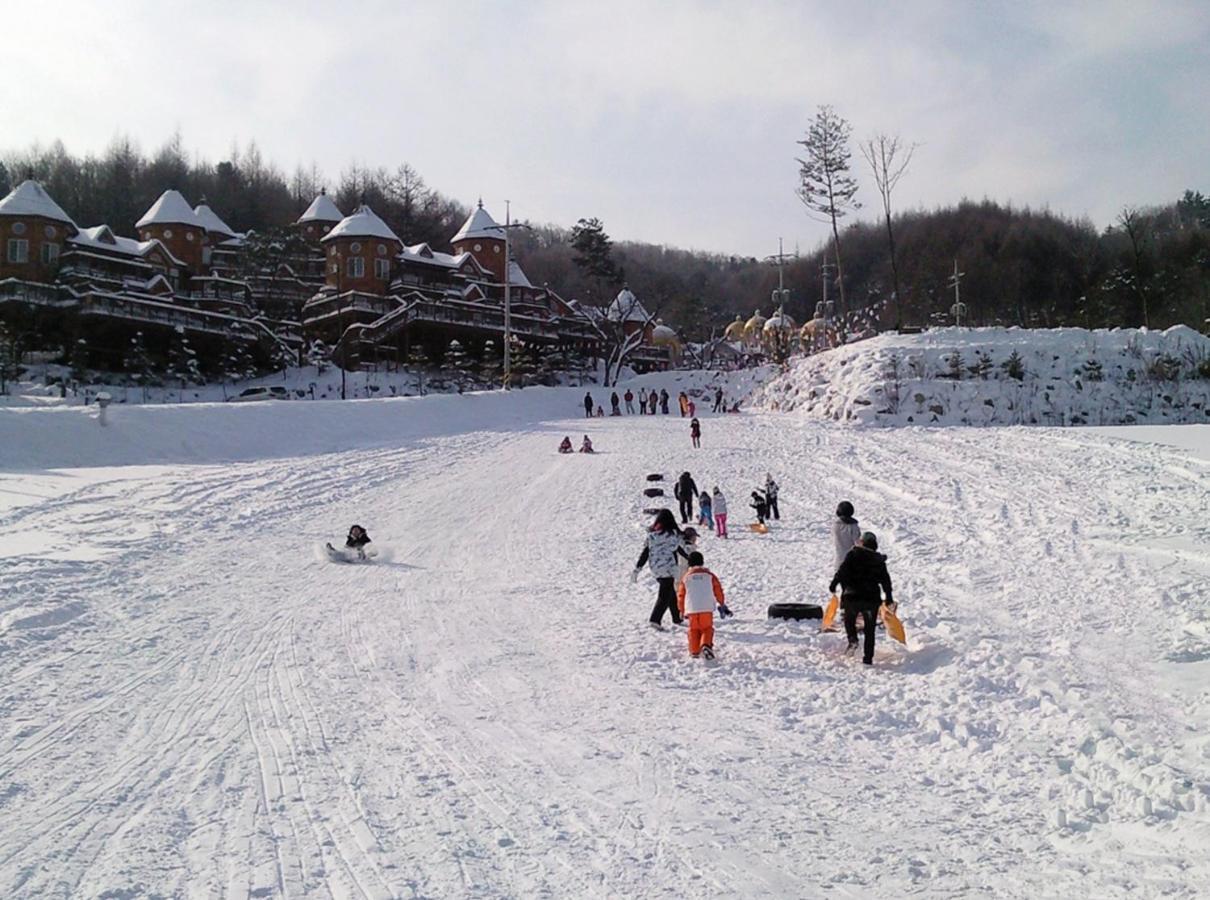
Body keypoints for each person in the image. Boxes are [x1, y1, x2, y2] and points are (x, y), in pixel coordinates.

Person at [829, 531, 894, 665]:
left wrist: (834, 583)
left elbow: (842, 571)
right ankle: (868, 658)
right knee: (870, 629)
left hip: (852, 596)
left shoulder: (853, 554)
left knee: (849, 621)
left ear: (862, 542)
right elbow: (885, 581)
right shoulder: (879, 561)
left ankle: (853, 640)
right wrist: (888, 597)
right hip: (871, 599)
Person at [632, 509, 688, 629]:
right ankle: (655, 619)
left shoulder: (652, 536)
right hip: (669, 568)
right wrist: (690, 559)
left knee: (670, 591)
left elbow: (645, 553)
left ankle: (676, 617)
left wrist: (638, 568)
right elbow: (680, 549)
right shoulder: (673, 535)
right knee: (664, 595)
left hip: (656, 569)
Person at [676, 551, 733, 659]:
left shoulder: (686, 577)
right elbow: (718, 590)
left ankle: (694, 650)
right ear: (702, 562)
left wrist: (681, 610)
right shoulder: (709, 576)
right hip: (706, 608)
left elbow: (681, 595)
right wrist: (721, 603)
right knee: (706, 628)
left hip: (692, 608)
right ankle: (706, 645)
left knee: (694, 629)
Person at [832, 501, 862, 569]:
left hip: (838, 561)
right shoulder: (853, 526)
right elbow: (858, 543)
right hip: (851, 561)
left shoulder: (835, 525)